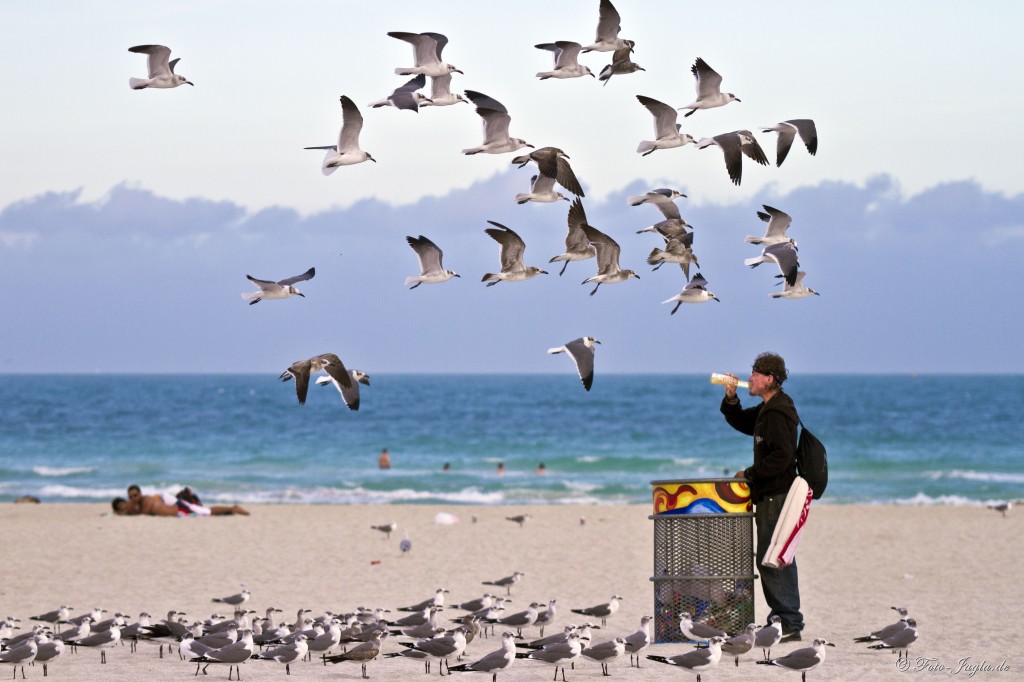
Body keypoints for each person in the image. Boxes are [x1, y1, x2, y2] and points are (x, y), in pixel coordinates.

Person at [719, 351, 804, 641]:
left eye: (755, 374)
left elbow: (783, 457)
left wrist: (749, 474)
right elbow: (742, 422)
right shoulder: (768, 409)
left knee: (773, 558)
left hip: (777, 495)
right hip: (771, 495)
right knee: (774, 556)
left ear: (769, 379)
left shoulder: (778, 412)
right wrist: (731, 397)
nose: (750, 378)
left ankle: (789, 621)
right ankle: (784, 618)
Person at [112, 484, 249, 516]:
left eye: (135, 495)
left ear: (140, 493)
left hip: (174, 504)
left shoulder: (146, 501)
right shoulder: (136, 504)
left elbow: (144, 513)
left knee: (205, 511)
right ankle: (229, 511)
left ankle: (233, 508)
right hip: (174, 508)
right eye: (131, 497)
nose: (133, 498)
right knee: (203, 512)